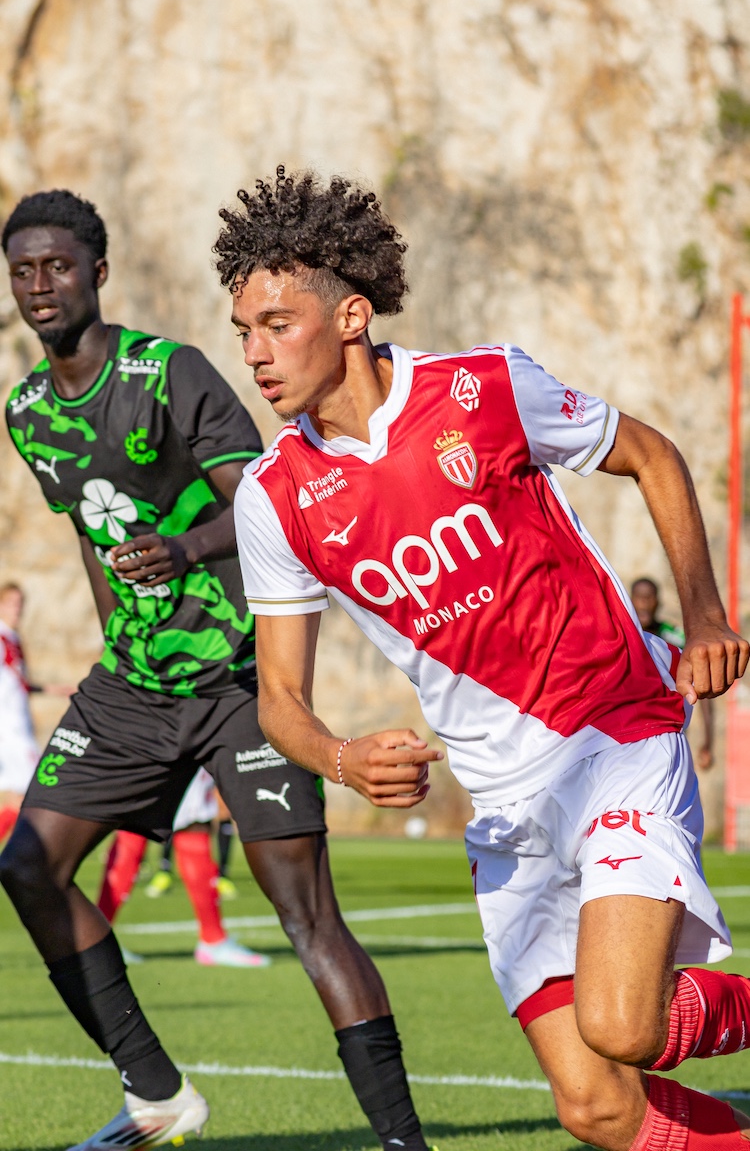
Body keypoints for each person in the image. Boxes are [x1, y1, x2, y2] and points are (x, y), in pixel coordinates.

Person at [215, 165, 750, 1151]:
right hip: (503, 803)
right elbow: (279, 698)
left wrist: (706, 616)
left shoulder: (485, 390)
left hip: (613, 735)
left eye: (277, 324)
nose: (254, 352)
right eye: (243, 329)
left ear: (351, 316)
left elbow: (652, 456)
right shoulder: (273, 497)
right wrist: (342, 760)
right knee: (597, 1108)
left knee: (623, 1024)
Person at [0, 189, 431, 1151]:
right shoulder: (26, 412)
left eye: (58, 266)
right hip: (132, 687)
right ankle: (155, 1095)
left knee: (306, 916)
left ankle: (406, 1142)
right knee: (27, 867)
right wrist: (116, 641)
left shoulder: (167, 373)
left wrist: (184, 552)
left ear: (98, 273)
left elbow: (265, 501)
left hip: (241, 678)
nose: (40, 286)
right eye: (22, 270)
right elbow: (92, 539)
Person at [98, 768, 269, 966]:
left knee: (140, 826)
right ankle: (213, 939)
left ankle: (96, 937)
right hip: (173, 754)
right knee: (177, 826)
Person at [0, 581, 72, 842]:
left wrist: (51, 689)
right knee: (37, 787)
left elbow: (15, 683)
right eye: (11, 603)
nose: (17, 609)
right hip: (9, 730)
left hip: (19, 725)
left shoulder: (13, 639)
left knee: (21, 796)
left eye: (20, 603)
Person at [631, 577, 715, 770]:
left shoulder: (673, 637)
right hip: (630, 735)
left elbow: (702, 683)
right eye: (639, 597)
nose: (644, 602)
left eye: (649, 597)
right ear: (630, 600)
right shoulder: (621, 635)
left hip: (668, 734)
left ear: (657, 602)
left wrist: (708, 741)